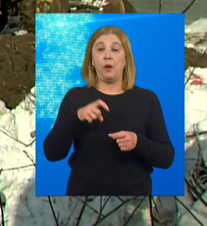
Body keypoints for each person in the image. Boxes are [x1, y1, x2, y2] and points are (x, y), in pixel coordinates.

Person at [43, 25, 175, 196]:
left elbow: (166, 157)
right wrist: (76, 118)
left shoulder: (147, 99)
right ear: (91, 59)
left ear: (126, 59)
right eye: (100, 49)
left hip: (133, 206)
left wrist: (137, 142)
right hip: (82, 205)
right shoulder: (75, 97)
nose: (107, 56)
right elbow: (52, 153)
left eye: (115, 49)